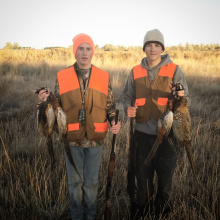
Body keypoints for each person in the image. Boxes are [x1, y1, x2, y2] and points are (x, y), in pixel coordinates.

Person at [38, 33, 121, 220]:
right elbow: (55, 104)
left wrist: (114, 121)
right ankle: (77, 216)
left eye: (88, 48)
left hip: (95, 139)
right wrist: (46, 100)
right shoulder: (62, 76)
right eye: (80, 48)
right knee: (75, 183)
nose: (84, 53)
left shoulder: (103, 76)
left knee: (91, 183)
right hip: (72, 139)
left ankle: (90, 216)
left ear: (93, 51)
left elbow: (110, 107)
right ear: (75, 51)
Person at [123, 29, 189, 219]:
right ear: (144, 48)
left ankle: (162, 213)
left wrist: (181, 97)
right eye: (149, 45)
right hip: (142, 134)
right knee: (142, 178)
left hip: (168, 135)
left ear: (162, 48)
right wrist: (128, 107)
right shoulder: (135, 70)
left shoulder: (175, 69)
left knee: (165, 179)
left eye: (157, 45)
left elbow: (187, 100)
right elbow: (127, 96)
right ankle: (142, 212)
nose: (153, 49)